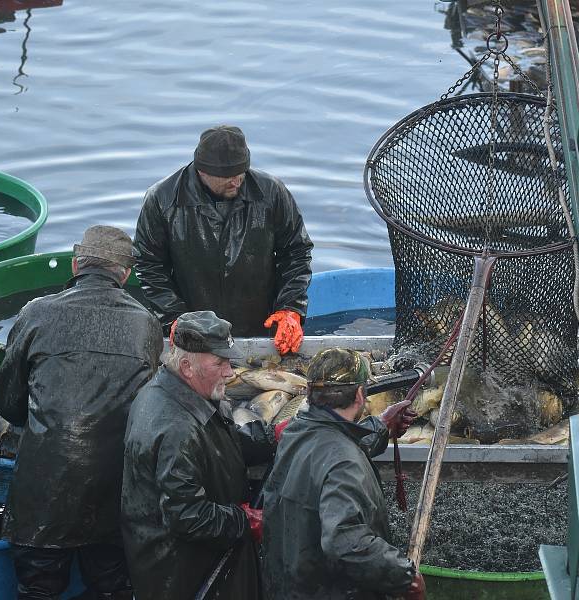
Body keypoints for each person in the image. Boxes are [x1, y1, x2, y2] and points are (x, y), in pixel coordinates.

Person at [0, 225, 163, 600]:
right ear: (125, 274)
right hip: (115, 495)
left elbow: (7, 403)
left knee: (38, 590)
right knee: (113, 588)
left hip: (43, 498)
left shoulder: (36, 313)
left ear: (75, 266)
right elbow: (149, 407)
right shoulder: (146, 323)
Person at [121, 311, 276, 600]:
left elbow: (217, 447)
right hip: (182, 574)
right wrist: (245, 520)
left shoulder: (181, 391)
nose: (230, 373)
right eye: (219, 363)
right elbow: (187, 516)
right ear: (187, 366)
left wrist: (270, 437)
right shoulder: (174, 427)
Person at [261, 347, 426, 600]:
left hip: (291, 586)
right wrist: (406, 576)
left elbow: (330, 445)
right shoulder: (344, 463)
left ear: (310, 393)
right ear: (360, 394)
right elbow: (345, 541)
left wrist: (380, 426)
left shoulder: (296, 431)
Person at [133, 124, 314, 354]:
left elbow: (297, 252)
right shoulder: (161, 200)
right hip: (194, 327)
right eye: (227, 177)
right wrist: (174, 318)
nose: (236, 182)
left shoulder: (272, 192)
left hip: (260, 324)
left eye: (241, 173)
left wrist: (291, 307)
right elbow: (148, 265)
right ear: (202, 171)